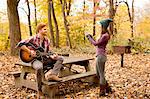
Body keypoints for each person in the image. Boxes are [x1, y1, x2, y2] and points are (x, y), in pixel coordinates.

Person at [16, 23, 64, 98]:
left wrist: (52, 56)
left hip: (44, 58)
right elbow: (20, 44)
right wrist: (29, 51)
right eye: (44, 29)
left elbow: (48, 52)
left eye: (46, 29)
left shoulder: (47, 40)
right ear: (39, 30)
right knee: (39, 68)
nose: (46, 30)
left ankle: (52, 75)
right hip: (34, 60)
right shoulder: (33, 38)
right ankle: (40, 90)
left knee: (60, 58)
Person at [85, 19, 113, 96]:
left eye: (101, 26)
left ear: (103, 26)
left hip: (101, 56)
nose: (100, 27)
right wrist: (91, 37)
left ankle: (102, 91)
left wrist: (89, 38)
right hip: (99, 56)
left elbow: (96, 44)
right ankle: (107, 88)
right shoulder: (103, 35)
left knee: (101, 74)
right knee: (98, 73)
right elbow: (97, 42)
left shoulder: (105, 36)